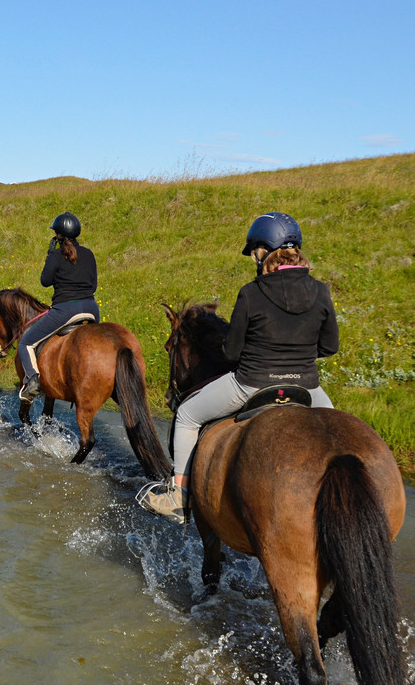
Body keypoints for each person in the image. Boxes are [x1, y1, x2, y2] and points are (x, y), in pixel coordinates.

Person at [138, 212, 339, 525]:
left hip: (251, 383)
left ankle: (178, 497)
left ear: (263, 251)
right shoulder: (321, 291)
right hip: (308, 389)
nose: (254, 258)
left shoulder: (252, 292)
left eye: (255, 252)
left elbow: (231, 351)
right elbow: (330, 347)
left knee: (188, 415)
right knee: (338, 433)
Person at [16, 212, 100, 402]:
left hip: (66, 311)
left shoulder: (55, 254)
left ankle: (31, 382)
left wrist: (50, 257)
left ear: (58, 235)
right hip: (92, 309)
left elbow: (45, 281)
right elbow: (93, 286)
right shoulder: (89, 253)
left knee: (25, 343)